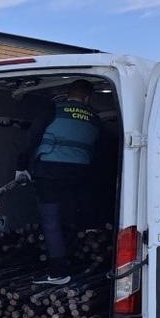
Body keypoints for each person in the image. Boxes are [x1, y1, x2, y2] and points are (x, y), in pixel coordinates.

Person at [23, 79, 100, 285]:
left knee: (51, 222)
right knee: (73, 211)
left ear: (68, 93)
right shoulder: (94, 117)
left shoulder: (54, 109)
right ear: (88, 97)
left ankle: (59, 272)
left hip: (49, 171)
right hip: (81, 173)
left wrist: (21, 166)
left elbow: (32, 138)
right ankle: (90, 228)